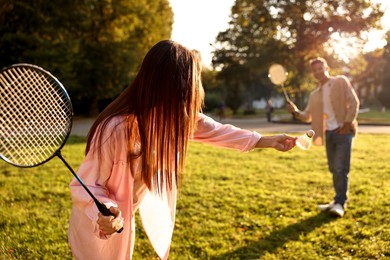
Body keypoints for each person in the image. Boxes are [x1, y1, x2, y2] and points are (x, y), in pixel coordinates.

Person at [68, 40, 297, 260]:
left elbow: (219, 131)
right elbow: (85, 185)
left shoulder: (177, 119)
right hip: (94, 226)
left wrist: (268, 141)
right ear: (171, 84)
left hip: (123, 220)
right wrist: (105, 210)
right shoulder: (116, 129)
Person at [287, 57, 359, 217]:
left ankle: (340, 203)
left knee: (341, 169)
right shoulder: (315, 95)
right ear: (313, 73)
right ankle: (336, 200)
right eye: (315, 70)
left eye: (321, 68)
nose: (318, 71)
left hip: (343, 132)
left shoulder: (340, 81)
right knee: (334, 169)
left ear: (327, 68)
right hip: (329, 134)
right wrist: (295, 111)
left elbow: (354, 102)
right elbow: (307, 116)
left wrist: (347, 124)